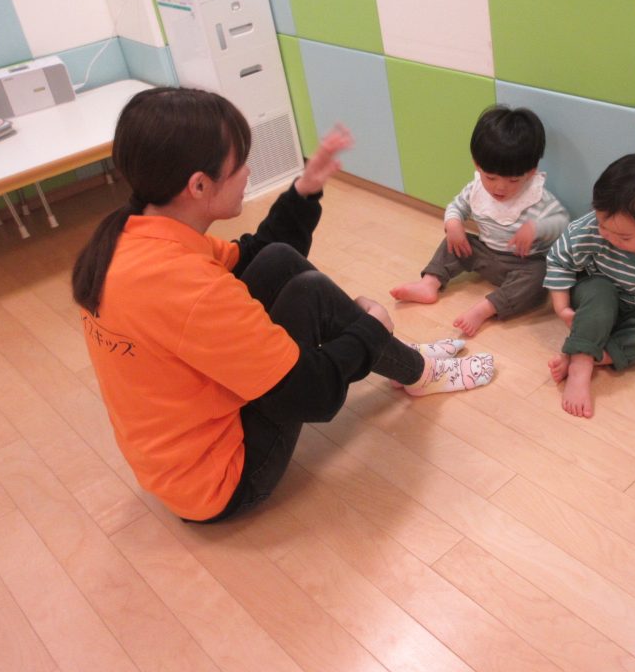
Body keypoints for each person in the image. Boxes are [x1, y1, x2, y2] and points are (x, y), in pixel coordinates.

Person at [72, 87, 495, 523]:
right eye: (239, 164)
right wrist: (372, 328)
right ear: (198, 185)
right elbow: (313, 395)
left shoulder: (135, 236)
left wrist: (304, 191)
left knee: (279, 261)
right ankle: (420, 371)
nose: (248, 171)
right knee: (312, 292)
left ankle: (413, 367)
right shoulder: (190, 288)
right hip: (224, 483)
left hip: (172, 467)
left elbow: (255, 256)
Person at [390, 105, 569, 336]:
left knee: (541, 275)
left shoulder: (538, 197)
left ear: (531, 171)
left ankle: (486, 308)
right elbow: (456, 207)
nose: (500, 187)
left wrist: (537, 228)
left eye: (513, 180)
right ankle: (429, 284)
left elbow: (563, 221)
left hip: (522, 263)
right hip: (483, 252)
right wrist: (453, 224)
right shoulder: (476, 189)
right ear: (477, 164)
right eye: (491, 177)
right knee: (452, 242)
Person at [544, 154, 635, 419]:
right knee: (600, 291)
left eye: (624, 237)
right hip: (595, 298)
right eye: (603, 226)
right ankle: (580, 365)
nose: (609, 238)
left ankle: (595, 355)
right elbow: (559, 259)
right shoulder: (590, 227)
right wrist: (561, 307)